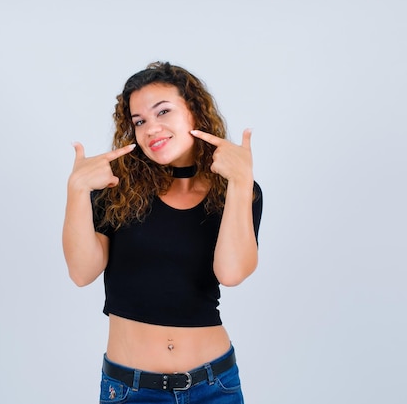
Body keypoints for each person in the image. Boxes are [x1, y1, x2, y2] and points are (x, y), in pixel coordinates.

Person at [62, 61, 262, 403]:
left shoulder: (237, 190)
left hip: (215, 385)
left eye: (163, 112)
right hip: (131, 389)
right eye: (139, 121)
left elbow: (230, 273)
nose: (151, 128)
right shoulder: (115, 188)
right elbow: (82, 273)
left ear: (195, 113)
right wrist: (77, 191)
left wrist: (241, 183)